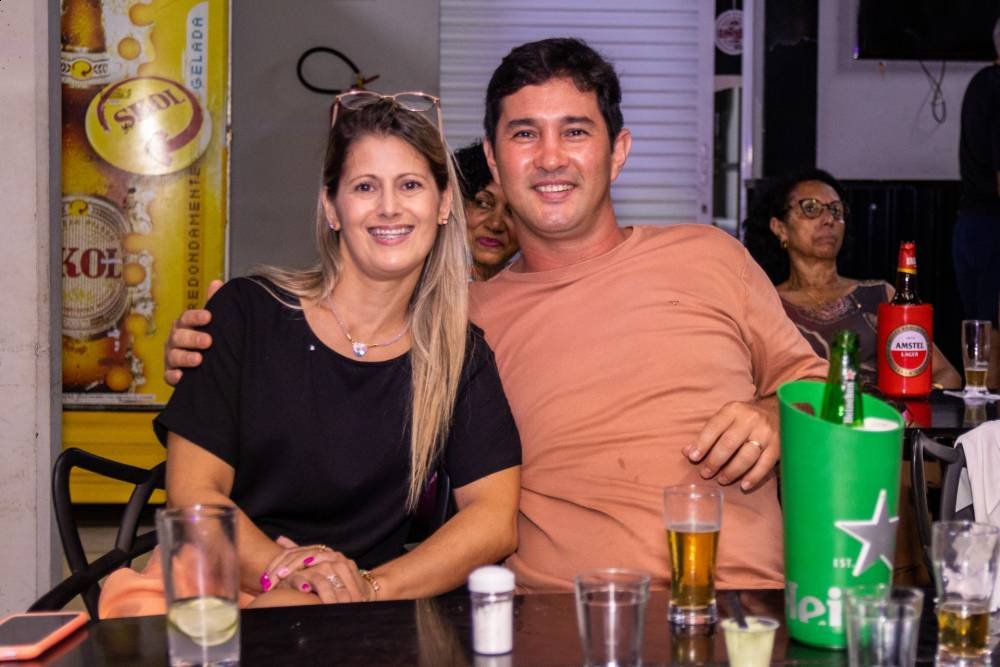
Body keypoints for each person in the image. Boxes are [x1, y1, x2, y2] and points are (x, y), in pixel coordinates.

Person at [165, 39, 828, 593]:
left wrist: (775, 412)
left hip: (738, 601)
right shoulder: (458, 325)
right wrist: (219, 346)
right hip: (555, 619)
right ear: (491, 158)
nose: (550, 157)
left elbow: (830, 391)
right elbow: (338, 368)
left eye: (575, 131)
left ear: (619, 149)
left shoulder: (709, 255)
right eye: (525, 134)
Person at [100, 93, 521, 617]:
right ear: (331, 207)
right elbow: (193, 496)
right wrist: (291, 575)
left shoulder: (459, 355)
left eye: (410, 185)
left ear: (442, 205)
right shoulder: (246, 314)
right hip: (213, 591)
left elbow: (492, 519)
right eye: (364, 187)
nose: (389, 207)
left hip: (355, 611)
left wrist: (366, 588)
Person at [743, 168, 961, 389]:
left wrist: (907, 402)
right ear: (779, 228)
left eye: (836, 210)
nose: (828, 219)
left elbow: (947, 375)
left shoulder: (879, 295)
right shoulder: (767, 304)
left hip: (877, 409)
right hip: (798, 410)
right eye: (811, 208)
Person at [955, 18, 1000, 388]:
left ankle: (979, 414)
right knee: (991, 336)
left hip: (971, 225)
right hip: (993, 229)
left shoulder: (981, 83)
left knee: (980, 331)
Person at [454, 140, 519, 280]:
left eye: (513, 212)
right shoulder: (420, 286)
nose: (496, 224)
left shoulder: (535, 289)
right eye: (483, 204)